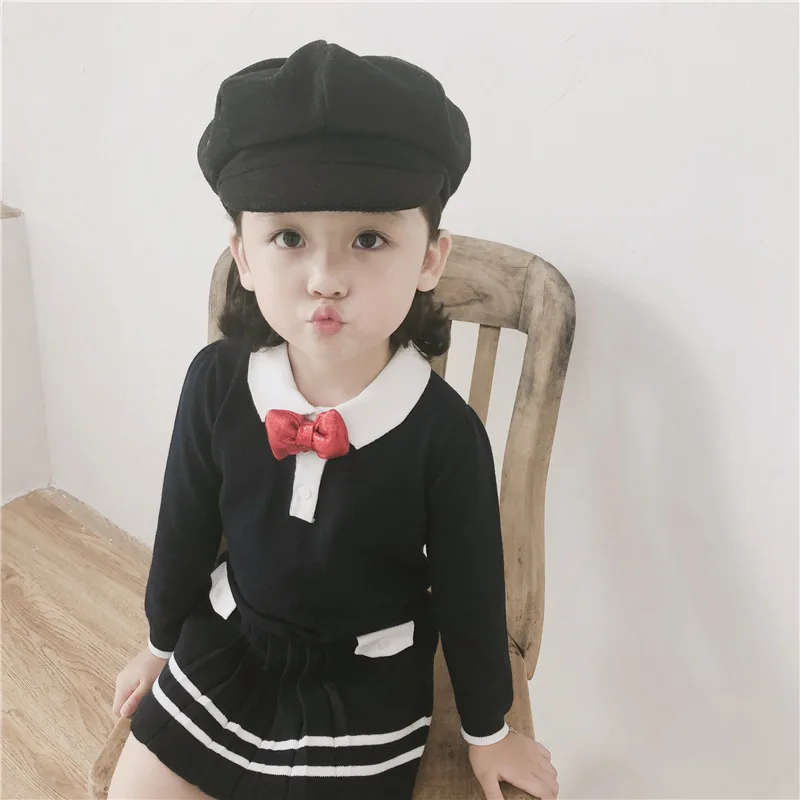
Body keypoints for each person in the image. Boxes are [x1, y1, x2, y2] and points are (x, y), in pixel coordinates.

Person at [107, 39, 558, 800]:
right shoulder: (217, 382)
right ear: (244, 256)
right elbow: (183, 526)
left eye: (368, 239)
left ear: (430, 258)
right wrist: (159, 642)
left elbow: (470, 594)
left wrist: (489, 731)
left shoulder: (444, 435)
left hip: (363, 680)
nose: (325, 279)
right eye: (288, 238)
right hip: (231, 645)